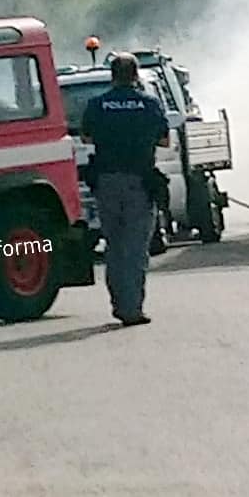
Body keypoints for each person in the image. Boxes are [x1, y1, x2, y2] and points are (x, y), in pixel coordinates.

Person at [81, 52, 170, 327]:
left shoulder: (97, 104)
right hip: (139, 183)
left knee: (115, 245)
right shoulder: (149, 104)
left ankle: (119, 304)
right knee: (135, 247)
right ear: (136, 75)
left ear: (112, 76)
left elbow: (86, 137)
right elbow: (165, 140)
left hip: (106, 183)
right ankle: (132, 309)